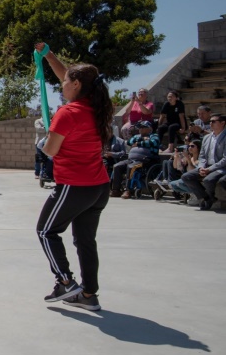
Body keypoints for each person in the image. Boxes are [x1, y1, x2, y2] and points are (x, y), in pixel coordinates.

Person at [34, 42, 113, 312]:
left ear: (77, 84)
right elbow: (67, 74)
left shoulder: (67, 113)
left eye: (66, 81)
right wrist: (48, 55)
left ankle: (65, 282)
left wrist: (43, 141)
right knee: (85, 241)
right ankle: (89, 295)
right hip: (99, 187)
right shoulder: (95, 106)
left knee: (46, 231)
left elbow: (51, 151)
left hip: (75, 186)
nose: (61, 84)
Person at [180, 113, 226, 210]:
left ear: (223, 123)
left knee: (208, 180)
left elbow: (225, 159)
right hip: (206, 166)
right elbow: (202, 156)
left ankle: (210, 197)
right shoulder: (206, 138)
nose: (210, 124)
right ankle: (207, 198)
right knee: (186, 177)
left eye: (213, 121)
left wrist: (209, 169)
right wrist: (201, 167)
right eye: (210, 121)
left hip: (221, 168)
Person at [109, 121, 160, 199]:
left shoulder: (154, 136)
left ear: (149, 129)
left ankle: (128, 190)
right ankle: (115, 190)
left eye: (143, 127)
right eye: (140, 128)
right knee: (117, 166)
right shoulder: (137, 136)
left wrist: (138, 143)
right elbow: (130, 142)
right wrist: (142, 139)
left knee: (131, 167)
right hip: (131, 159)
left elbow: (153, 143)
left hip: (145, 161)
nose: (140, 129)